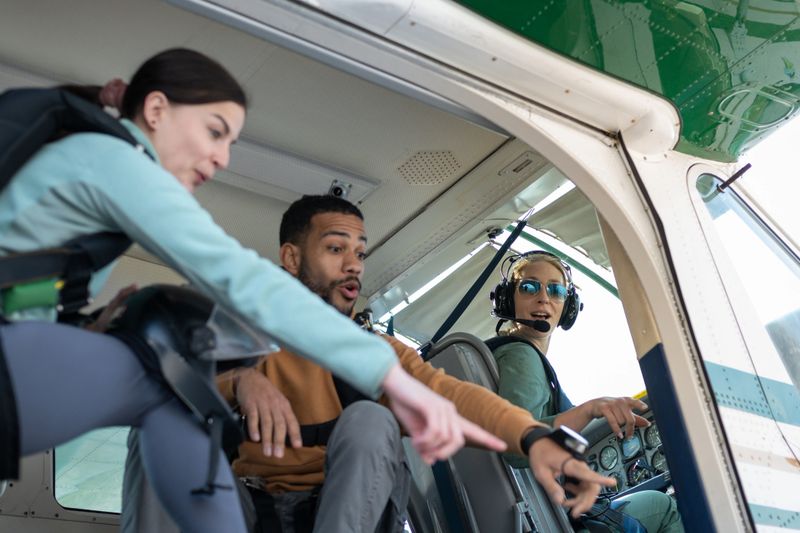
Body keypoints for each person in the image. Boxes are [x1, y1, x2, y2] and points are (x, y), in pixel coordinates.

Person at [0, 48, 496, 533]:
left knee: (162, 369)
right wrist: (241, 380)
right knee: (169, 379)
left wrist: (90, 326)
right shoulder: (117, 161)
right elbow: (237, 274)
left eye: (231, 142)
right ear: (155, 110)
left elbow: (19, 291)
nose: (221, 158)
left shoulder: (88, 158)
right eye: (215, 132)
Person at [206, 195, 613, 532]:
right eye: (336, 249)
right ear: (292, 259)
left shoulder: (373, 352)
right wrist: (240, 381)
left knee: (371, 420)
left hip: (342, 513)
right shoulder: (233, 333)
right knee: (163, 429)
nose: (353, 266)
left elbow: (453, 398)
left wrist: (530, 435)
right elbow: (158, 384)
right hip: (245, 509)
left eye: (360, 253)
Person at [487, 250, 684, 532]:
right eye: (529, 287)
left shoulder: (503, 354)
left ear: (567, 306)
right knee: (662, 505)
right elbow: (516, 444)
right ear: (508, 298)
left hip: (549, 517)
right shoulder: (522, 355)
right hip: (563, 523)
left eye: (555, 290)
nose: (543, 297)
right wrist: (590, 409)